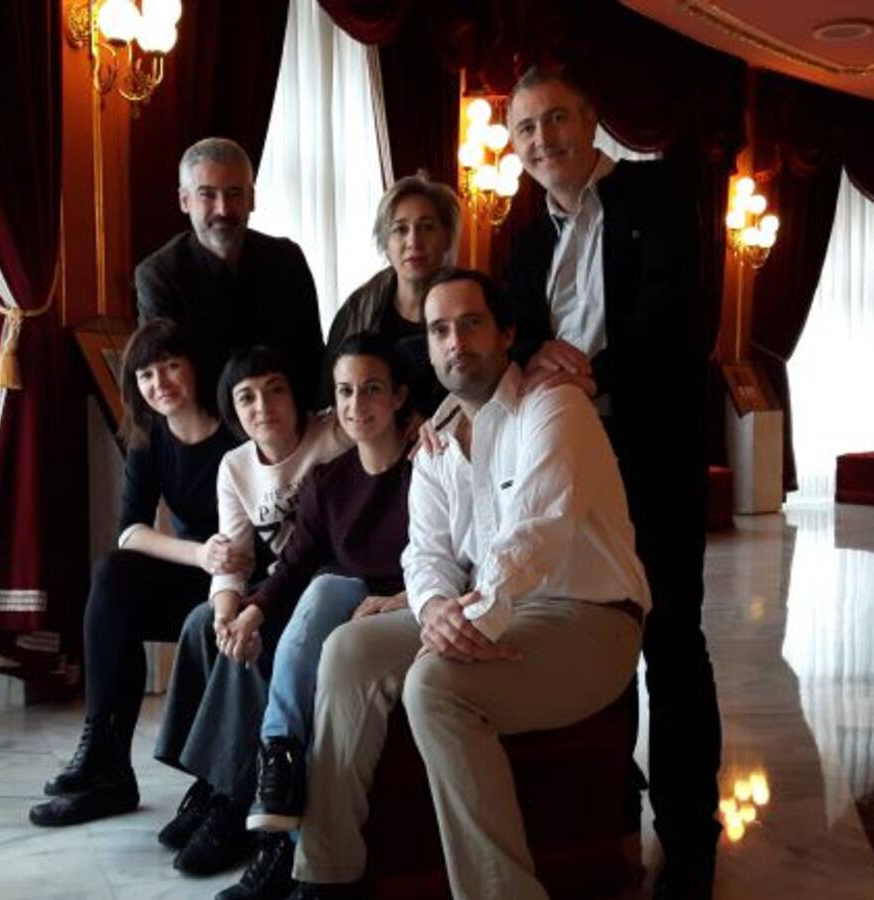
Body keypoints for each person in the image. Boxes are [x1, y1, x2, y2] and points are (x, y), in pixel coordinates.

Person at [291, 269, 649, 900]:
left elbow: (535, 533)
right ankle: (329, 873)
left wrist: (468, 621)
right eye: (439, 330)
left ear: (506, 334)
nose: (455, 341)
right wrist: (434, 608)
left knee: (436, 684)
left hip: (589, 619)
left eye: (471, 323)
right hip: (496, 607)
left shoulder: (553, 406)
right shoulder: (435, 443)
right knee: (348, 649)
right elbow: (424, 551)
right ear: (429, 348)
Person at [504, 65, 721, 899]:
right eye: (526, 128)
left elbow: (678, 320)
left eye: (556, 119)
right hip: (571, 465)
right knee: (593, 638)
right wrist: (539, 359)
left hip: (655, 456)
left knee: (672, 643)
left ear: (591, 119)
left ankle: (690, 840)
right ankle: (607, 814)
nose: (543, 140)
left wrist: (589, 369)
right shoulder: (527, 237)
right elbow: (518, 335)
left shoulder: (657, 197)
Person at [217, 333, 415, 900]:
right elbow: (295, 561)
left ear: (399, 396)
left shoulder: (427, 461)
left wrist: (407, 598)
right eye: (345, 392)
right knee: (324, 587)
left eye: (371, 389)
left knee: (332, 657)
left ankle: (295, 850)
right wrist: (252, 612)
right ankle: (275, 759)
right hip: (350, 602)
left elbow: (460, 556)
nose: (356, 405)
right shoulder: (329, 481)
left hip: (411, 603)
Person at [29, 319, 244, 828]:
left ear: (194, 367)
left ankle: (121, 771)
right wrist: (198, 554)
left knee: (116, 590)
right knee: (113, 579)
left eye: (171, 366)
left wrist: (221, 562)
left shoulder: (236, 429)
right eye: (147, 374)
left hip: (245, 579)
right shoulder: (150, 437)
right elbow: (130, 530)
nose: (160, 382)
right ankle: (105, 758)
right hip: (198, 571)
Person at [153, 346, 351, 877]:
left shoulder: (333, 434)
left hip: (326, 586)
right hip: (278, 584)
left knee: (250, 643)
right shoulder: (235, 466)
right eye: (247, 398)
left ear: (296, 394)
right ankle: (210, 781)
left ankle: (232, 798)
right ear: (233, 410)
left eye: (275, 390)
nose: (263, 407)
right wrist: (224, 610)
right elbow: (234, 559)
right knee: (203, 624)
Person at [135, 137, 325, 410]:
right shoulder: (158, 275)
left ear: (252, 198)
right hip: (203, 424)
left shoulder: (287, 260)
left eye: (234, 193)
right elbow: (168, 377)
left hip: (286, 422)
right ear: (184, 200)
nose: (223, 209)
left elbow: (311, 357)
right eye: (207, 194)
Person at [320, 173, 460, 418]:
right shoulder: (358, 309)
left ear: (447, 237)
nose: (413, 241)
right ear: (385, 243)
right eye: (400, 230)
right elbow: (328, 394)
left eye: (427, 227)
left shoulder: (469, 303)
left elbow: (482, 386)